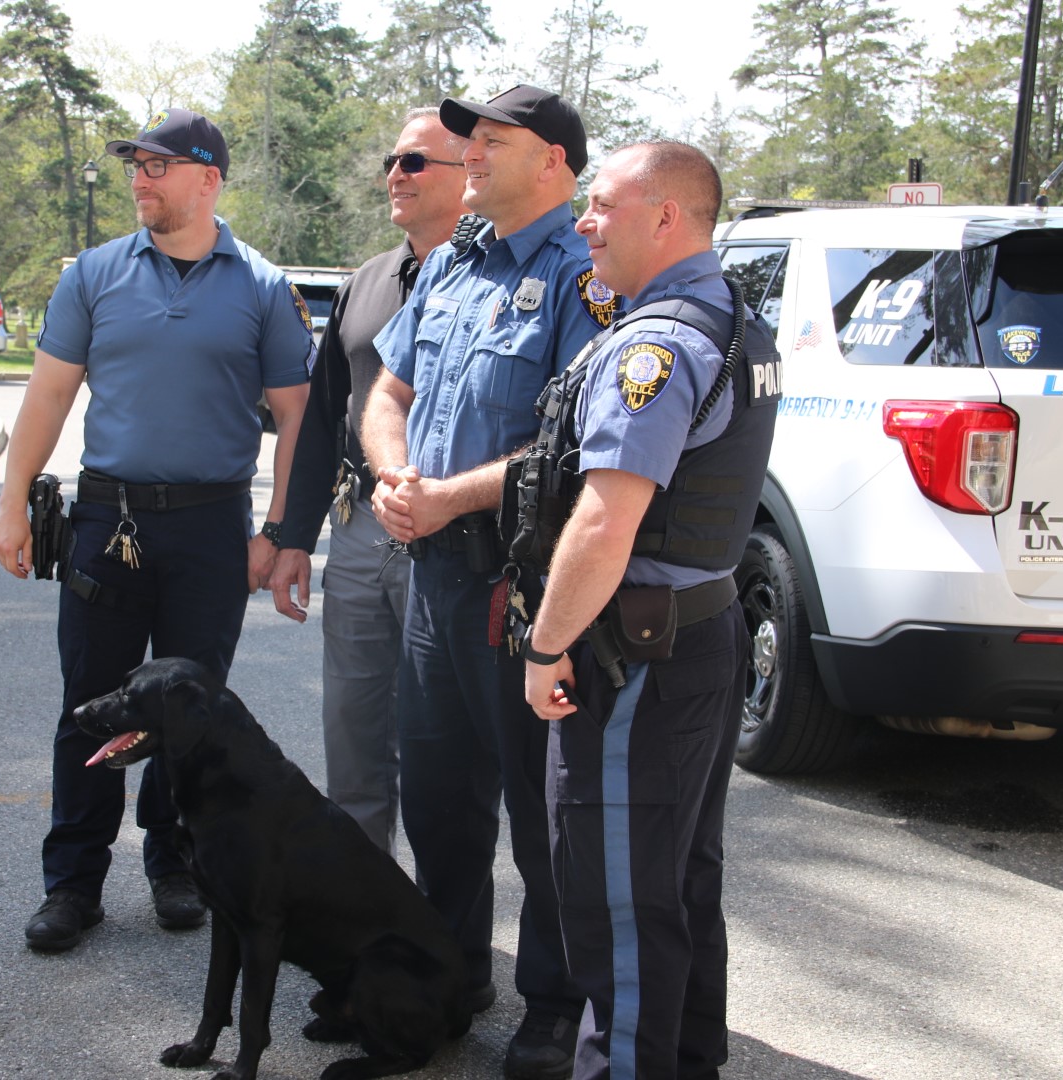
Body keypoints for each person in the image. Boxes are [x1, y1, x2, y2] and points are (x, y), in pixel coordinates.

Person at [0, 107, 313, 952]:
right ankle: (72, 884)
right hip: (108, 520)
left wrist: (278, 529)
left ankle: (175, 865)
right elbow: (48, 394)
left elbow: (297, 415)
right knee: (89, 705)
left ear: (209, 179)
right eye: (135, 164)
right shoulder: (93, 274)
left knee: (191, 711)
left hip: (210, 527)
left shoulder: (263, 286)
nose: (139, 177)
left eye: (157, 165)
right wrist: (11, 501)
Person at [360, 85, 616, 1080]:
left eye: (493, 141)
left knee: (541, 811)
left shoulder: (581, 276)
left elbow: (578, 448)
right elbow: (390, 391)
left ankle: (554, 1004)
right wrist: (396, 476)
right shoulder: (452, 262)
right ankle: (452, 976)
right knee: (436, 801)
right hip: (430, 578)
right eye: (469, 140)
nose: (470, 154)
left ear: (554, 162)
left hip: (519, 588)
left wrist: (447, 498)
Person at [519, 142, 782, 1080]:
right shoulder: (736, 319)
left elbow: (606, 519)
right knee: (678, 883)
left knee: (621, 908)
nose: (585, 222)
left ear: (667, 216)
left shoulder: (658, 345)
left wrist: (545, 645)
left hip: (637, 659)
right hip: (695, 635)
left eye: (603, 204)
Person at [267, 107, 469, 854]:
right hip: (358, 532)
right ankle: (362, 900)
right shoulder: (366, 283)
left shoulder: (495, 280)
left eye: (414, 161)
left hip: (452, 535)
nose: (395, 174)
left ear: (469, 175)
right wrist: (292, 538)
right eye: (391, 161)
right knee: (351, 732)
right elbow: (324, 417)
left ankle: (441, 912)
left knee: (443, 744)